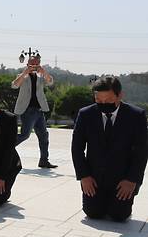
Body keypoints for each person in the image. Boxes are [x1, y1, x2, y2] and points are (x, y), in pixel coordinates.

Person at [71, 76, 147, 222]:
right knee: (93, 213)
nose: (103, 104)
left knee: (119, 215)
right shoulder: (86, 114)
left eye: (108, 100)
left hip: (122, 179)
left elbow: (141, 152)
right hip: (94, 178)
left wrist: (131, 180)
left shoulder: (136, 116)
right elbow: (77, 148)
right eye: (99, 101)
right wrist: (84, 176)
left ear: (120, 95)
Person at [12, 57, 57, 168]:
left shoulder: (40, 77)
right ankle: (5, 148)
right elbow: (14, 85)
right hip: (27, 110)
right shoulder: (22, 75)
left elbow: (50, 82)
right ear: (27, 64)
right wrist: (24, 73)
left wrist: (44, 72)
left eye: (36, 64)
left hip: (39, 110)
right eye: (31, 64)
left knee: (44, 136)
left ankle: (44, 160)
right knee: (25, 135)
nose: (34, 66)